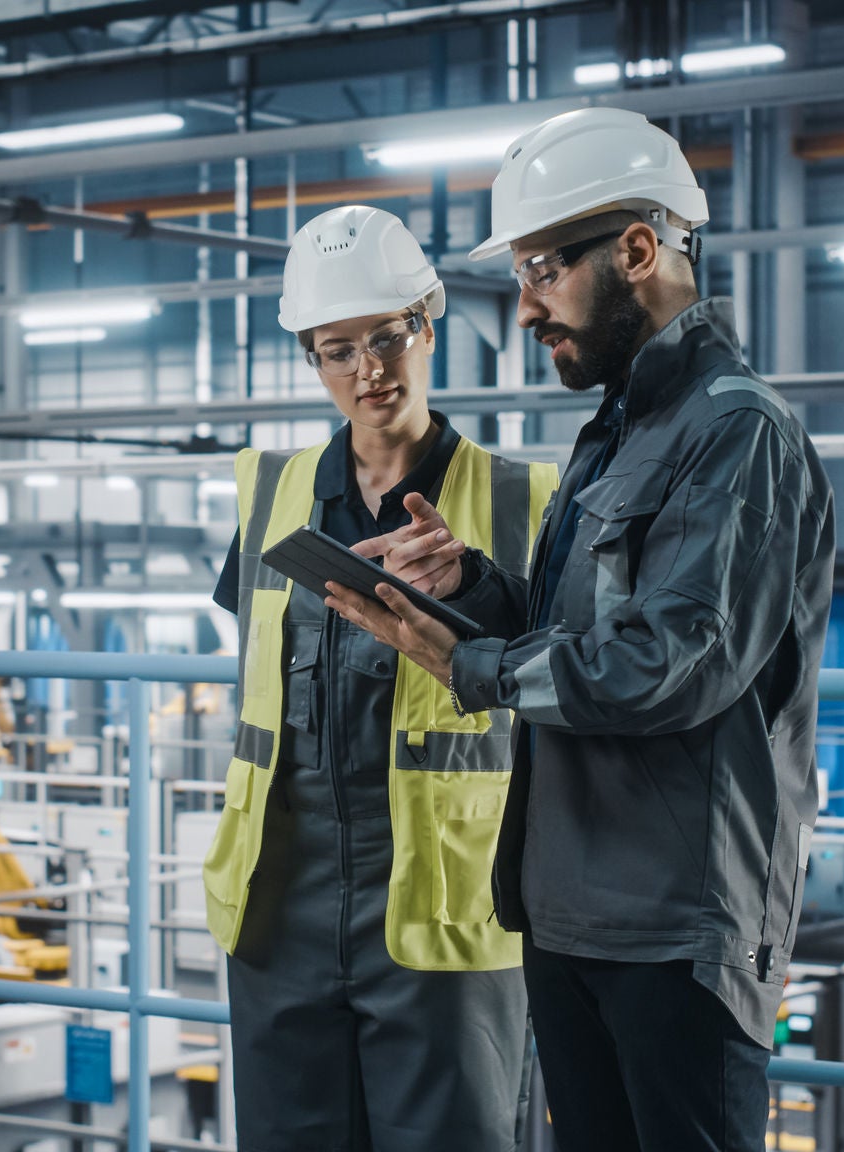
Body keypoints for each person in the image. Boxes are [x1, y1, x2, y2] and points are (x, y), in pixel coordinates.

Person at [322, 108, 837, 1152]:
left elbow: (669, 666)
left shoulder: (736, 431)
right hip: (567, 908)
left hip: (674, 925)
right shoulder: (615, 431)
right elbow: (584, 626)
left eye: (541, 270)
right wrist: (467, 585)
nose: (523, 309)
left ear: (637, 252)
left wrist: (470, 665)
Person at [202, 203, 560, 1152]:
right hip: (282, 903)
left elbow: (573, 673)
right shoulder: (268, 494)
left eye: (388, 336)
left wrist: (478, 587)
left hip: (442, 905)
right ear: (312, 361)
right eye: (337, 348)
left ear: (428, 325)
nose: (368, 368)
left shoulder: (526, 501)